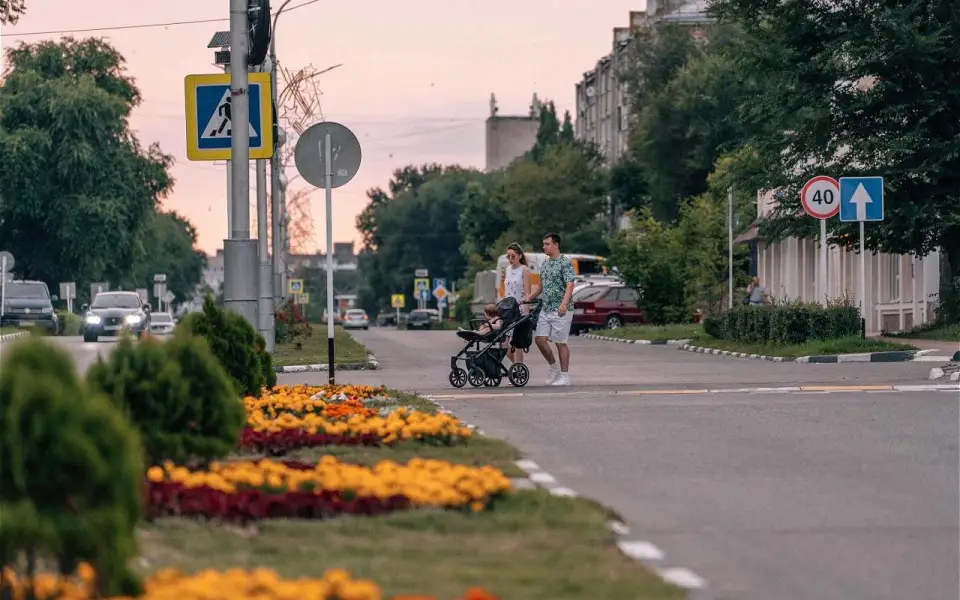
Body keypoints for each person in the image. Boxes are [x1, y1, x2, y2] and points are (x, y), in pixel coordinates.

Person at [523, 232, 575, 386]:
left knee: (560, 342)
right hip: (546, 308)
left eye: (547, 244)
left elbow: (570, 284)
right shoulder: (545, 263)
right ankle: (554, 369)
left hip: (561, 309)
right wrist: (529, 298)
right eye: (543, 244)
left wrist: (564, 303)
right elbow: (540, 286)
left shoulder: (565, 262)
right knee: (539, 339)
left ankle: (565, 376)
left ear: (556, 245)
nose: (544, 246)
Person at [500, 242, 532, 364]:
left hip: (520, 309)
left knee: (516, 343)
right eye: (508, 256)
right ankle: (516, 368)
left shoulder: (524, 270)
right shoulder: (507, 269)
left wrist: (526, 313)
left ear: (519, 255)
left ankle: (518, 369)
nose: (510, 259)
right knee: (504, 344)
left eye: (513, 256)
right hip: (508, 309)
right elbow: (506, 291)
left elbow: (528, 293)